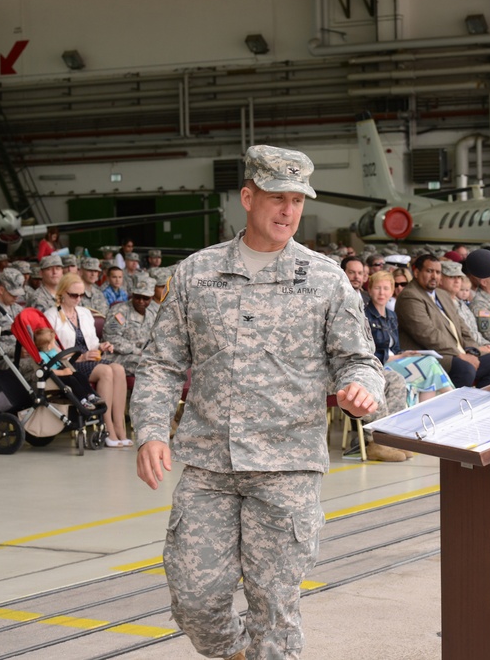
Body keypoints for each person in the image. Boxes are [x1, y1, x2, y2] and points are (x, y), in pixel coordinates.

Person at [132, 145, 383, 660]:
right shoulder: (196, 275)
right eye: (277, 198)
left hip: (287, 466)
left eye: (297, 200)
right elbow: (160, 364)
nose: (288, 211)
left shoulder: (325, 278)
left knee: (274, 606)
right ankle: (234, 653)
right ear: (248, 197)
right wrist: (151, 431)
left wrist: (362, 390)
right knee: (195, 598)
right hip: (208, 466)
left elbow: (359, 360)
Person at [395, 254, 490, 389]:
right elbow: (427, 334)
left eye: (438, 272)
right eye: (429, 271)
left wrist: (471, 351)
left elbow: (462, 327)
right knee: (465, 369)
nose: (434, 276)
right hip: (431, 354)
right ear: (416, 272)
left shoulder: (442, 294)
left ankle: (478, 404)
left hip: (458, 352)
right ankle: (457, 406)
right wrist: (459, 354)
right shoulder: (410, 296)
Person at [44, 273, 129, 447]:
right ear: (62, 293)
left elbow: (92, 343)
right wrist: (81, 356)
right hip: (69, 363)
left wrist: (102, 346)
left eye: (81, 295)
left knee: (118, 369)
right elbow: (50, 348)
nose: (78, 299)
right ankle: (107, 427)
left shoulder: (84, 313)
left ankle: (120, 427)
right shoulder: (51, 315)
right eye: (74, 295)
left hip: (90, 358)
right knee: (106, 371)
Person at [365, 270, 454, 405]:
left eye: (386, 288)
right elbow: (370, 353)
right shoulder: (365, 316)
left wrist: (405, 354)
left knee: (429, 366)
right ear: (370, 290)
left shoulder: (392, 316)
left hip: (394, 362)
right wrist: (400, 357)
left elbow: (395, 348)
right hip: (379, 366)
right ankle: (453, 397)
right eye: (377, 288)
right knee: (429, 365)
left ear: (392, 291)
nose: (382, 293)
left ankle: (425, 413)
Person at [102, 275, 159, 375]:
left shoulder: (153, 312)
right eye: (137, 297)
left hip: (144, 356)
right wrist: (136, 350)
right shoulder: (120, 312)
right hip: (118, 356)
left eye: (145, 298)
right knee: (148, 367)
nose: (141, 301)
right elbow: (111, 337)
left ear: (152, 298)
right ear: (132, 294)